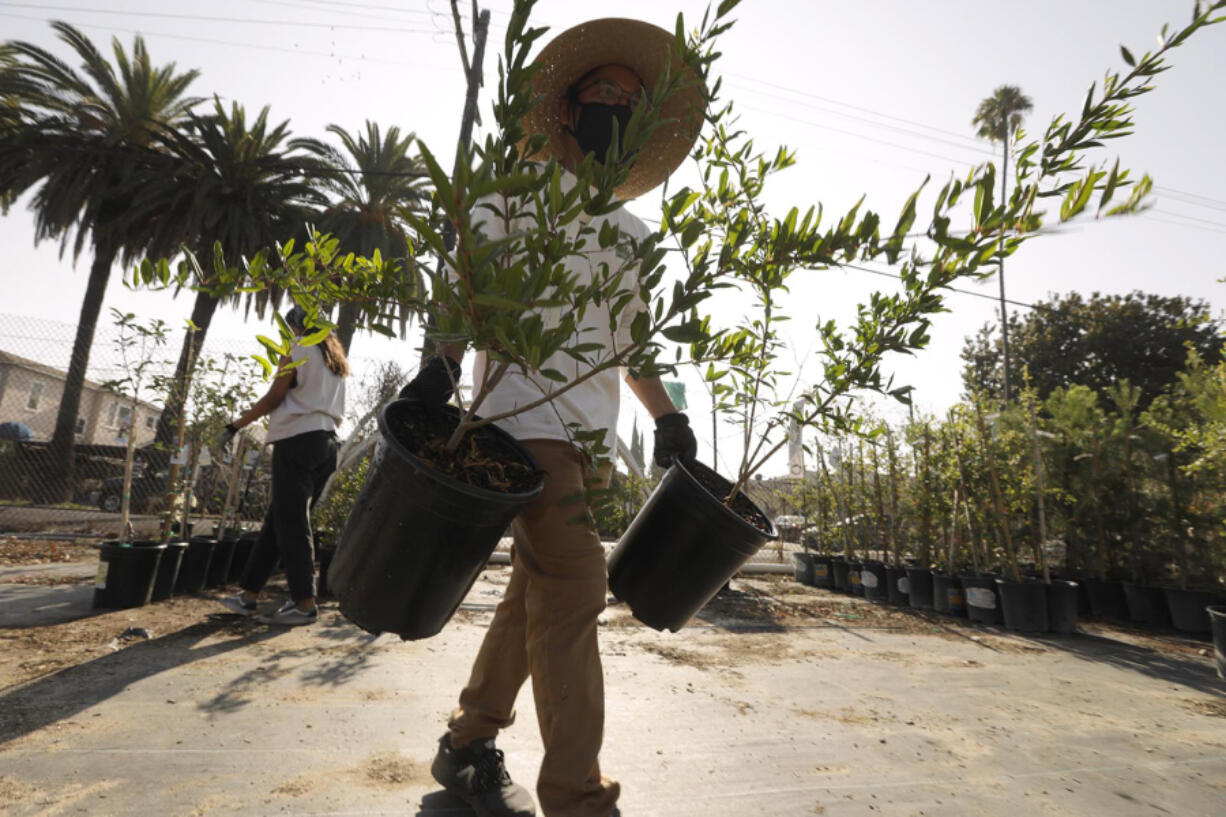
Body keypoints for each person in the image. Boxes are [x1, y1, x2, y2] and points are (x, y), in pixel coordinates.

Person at [402, 18, 706, 817]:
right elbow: (465, 295)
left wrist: (668, 419)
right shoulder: (509, 198)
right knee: (576, 582)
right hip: (517, 423)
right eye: (603, 92)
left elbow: (633, 349)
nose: (616, 105)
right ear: (568, 110)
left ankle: (468, 740)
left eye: (630, 101)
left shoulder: (634, 238)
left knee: (534, 594)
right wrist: (438, 367)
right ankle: (578, 798)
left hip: (588, 442)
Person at [218, 306, 348, 626]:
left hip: (297, 442)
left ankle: (304, 604)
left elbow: (274, 397)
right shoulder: (336, 362)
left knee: (291, 524)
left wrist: (234, 426)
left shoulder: (297, 349)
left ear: (295, 326)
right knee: (280, 521)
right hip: (327, 444)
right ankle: (248, 596)